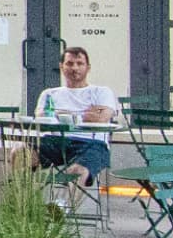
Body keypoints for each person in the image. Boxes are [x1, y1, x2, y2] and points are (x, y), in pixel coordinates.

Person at [32, 46, 121, 182]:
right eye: (70, 63)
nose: (75, 68)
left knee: (77, 171)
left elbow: (102, 118)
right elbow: (41, 117)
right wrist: (84, 114)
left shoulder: (101, 92)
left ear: (88, 67)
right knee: (20, 153)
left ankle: (62, 203)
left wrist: (59, 114)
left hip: (92, 143)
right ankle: (22, 201)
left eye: (80, 64)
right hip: (55, 142)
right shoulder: (49, 93)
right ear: (61, 67)